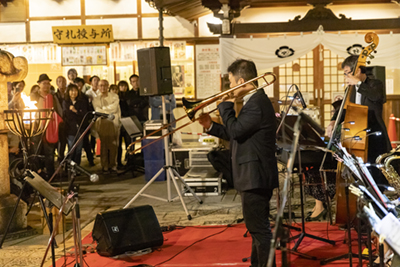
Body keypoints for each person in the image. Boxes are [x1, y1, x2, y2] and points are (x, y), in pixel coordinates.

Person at [198, 59, 278, 267]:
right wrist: (210, 126)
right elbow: (238, 133)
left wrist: (224, 106)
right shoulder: (254, 102)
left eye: (232, 83)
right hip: (253, 175)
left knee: (259, 229)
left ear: (242, 81)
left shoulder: (257, 104)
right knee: (256, 228)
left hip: (256, 175)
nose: (230, 88)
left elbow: (235, 130)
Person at [326, 55, 391, 186]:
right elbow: (343, 110)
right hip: (356, 135)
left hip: (374, 134)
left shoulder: (375, 84)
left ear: (358, 71)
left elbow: (377, 97)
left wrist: (359, 84)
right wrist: (333, 121)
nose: (346, 77)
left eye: (347, 73)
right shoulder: (349, 90)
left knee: (375, 172)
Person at [30, 74, 63, 180]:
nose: (46, 85)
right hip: (36, 128)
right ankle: (37, 175)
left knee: (49, 153)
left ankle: (50, 175)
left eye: (48, 83)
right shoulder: (33, 97)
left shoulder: (53, 97)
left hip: (50, 128)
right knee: (36, 152)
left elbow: (59, 111)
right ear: (39, 84)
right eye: (44, 83)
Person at [92, 79, 121, 174]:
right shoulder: (96, 99)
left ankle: (113, 165)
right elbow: (97, 110)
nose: (103, 87)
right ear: (98, 87)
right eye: (100, 85)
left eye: (105, 85)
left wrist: (103, 110)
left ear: (108, 86)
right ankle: (104, 166)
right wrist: (107, 112)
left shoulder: (114, 96)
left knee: (114, 145)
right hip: (102, 123)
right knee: (104, 145)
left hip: (114, 123)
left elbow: (114, 108)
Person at [62, 84, 88, 166]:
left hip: (80, 128)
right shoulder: (65, 102)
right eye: (72, 90)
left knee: (79, 149)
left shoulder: (82, 102)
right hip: (70, 129)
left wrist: (75, 111)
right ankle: (70, 166)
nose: (74, 92)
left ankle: (77, 166)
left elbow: (84, 114)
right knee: (71, 148)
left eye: (75, 90)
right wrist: (76, 112)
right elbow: (66, 115)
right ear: (68, 92)